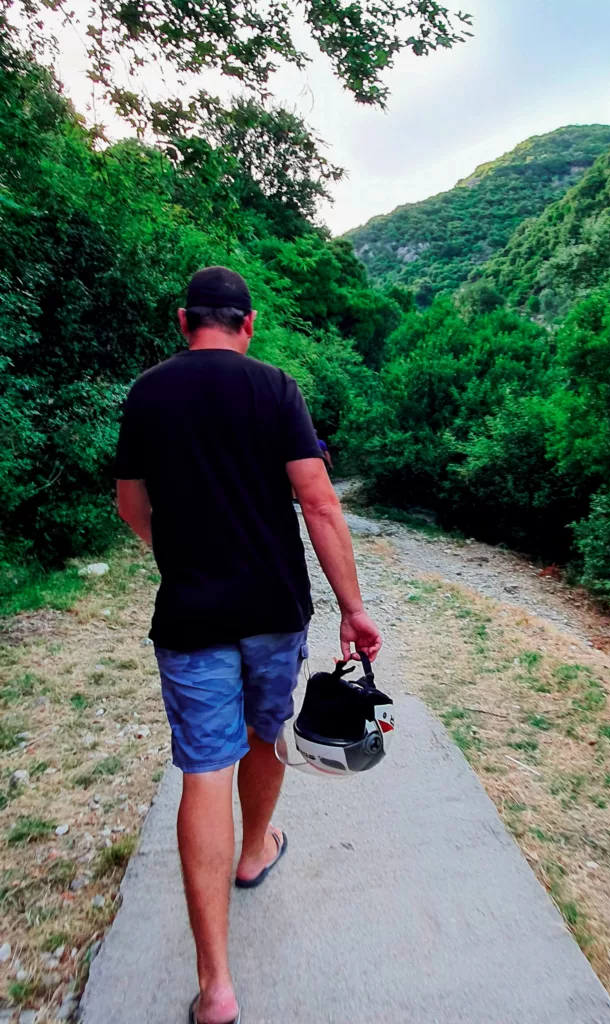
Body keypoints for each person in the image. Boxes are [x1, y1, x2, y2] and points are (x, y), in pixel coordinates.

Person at [114, 266, 382, 1024]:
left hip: (191, 612)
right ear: (249, 323)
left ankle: (217, 989)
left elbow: (132, 503)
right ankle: (255, 847)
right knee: (266, 731)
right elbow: (319, 502)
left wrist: (179, 556)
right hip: (273, 607)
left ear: (182, 320)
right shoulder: (276, 389)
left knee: (204, 768)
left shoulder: (148, 392)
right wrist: (353, 609)